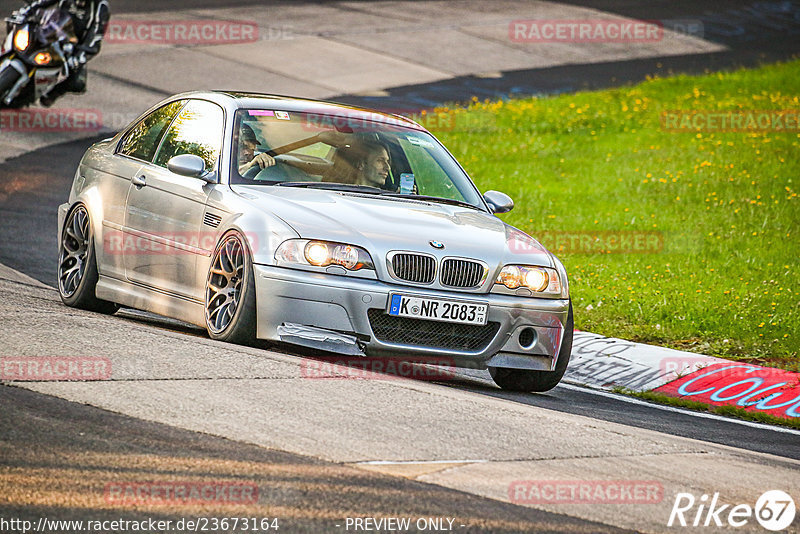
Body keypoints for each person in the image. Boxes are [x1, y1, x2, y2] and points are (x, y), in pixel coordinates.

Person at [17, 0, 111, 107]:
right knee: (19, 34)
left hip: (72, 49)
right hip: (48, 32)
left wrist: (80, 56)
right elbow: (43, 1)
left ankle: (50, 95)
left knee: (78, 83)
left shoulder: (101, 7)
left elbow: (95, 37)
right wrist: (27, 11)